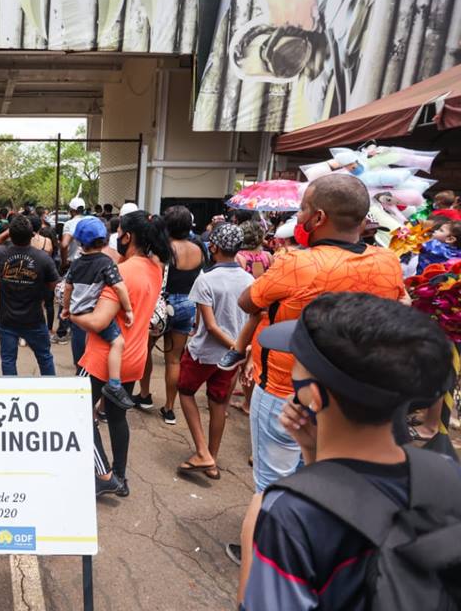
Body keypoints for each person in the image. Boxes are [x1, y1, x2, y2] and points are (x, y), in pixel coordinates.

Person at [239, 293, 460, 609]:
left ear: (313, 396)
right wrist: (312, 454)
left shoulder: (288, 513)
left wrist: (252, 537)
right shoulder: (445, 470)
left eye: (297, 366)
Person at [234, 174, 408, 507]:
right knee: (319, 473)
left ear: (318, 218)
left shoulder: (295, 262)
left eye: (303, 209)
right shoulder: (387, 262)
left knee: (273, 483)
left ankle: (268, 548)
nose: (298, 217)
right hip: (347, 394)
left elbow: (248, 301)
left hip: (285, 389)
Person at [72, 212, 170, 496]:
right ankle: (121, 476)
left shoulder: (122, 272)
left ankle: (104, 476)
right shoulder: (155, 267)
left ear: (126, 236)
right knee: (116, 417)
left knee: (76, 413)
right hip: (133, 358)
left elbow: (99, 321)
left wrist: (73, 316)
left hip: (101, 359)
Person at [176, 224, 254, 480]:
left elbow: (209, 325)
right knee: (218, 404)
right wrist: (240, 350)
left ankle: (202, 452)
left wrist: (233, 346)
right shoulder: (249, 280)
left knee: (185, 392)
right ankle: (212, 460)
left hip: (204, 353)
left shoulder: (206, 279)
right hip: (230, 359)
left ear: (214, 247)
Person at [138, 205, 205, 425]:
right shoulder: (199, 249)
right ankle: (169, 408)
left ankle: (145, 395)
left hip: (161, 306)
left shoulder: (162, 249)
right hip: (187, 304)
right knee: (174, 359)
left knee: (146, 351)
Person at [60, 216, 135, 409]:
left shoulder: (76, 263)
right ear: (104, 240)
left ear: (79, 242)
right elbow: (119, 287)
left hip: (77, 311)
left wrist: (67, 309)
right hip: (93, 313)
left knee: (85, 348)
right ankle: (115, 384)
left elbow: (67, 288)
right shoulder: (105, 263)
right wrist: (128, 309)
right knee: (117, 342)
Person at [0, 215, 59, 375]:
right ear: (32, 235)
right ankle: (52, 393)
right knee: (45, 358)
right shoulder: (43, 259)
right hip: (34, 318)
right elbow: (53, 284)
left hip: (7, 319)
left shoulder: (1, 253)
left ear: (11, 235)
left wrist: (7, 233)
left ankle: (12, 395)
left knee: (8, 360)